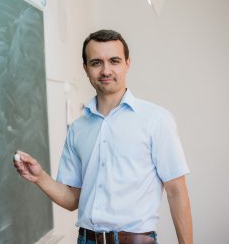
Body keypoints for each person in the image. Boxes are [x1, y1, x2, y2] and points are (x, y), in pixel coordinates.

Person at [13, 29, 192, 244]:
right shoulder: (78, 128)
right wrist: (40, 177)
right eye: (96, 62)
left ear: (127, 63)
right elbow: (72, 200)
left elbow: (177, 193)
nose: (106, 70)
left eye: (114, 61)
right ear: (85, 69)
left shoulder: (156, 120)